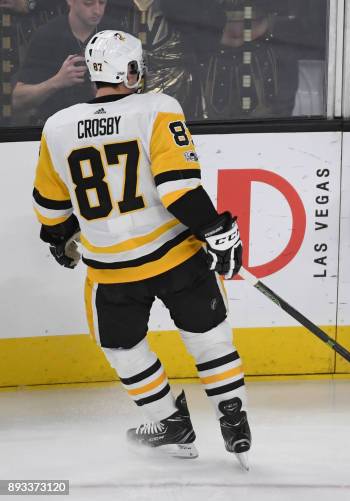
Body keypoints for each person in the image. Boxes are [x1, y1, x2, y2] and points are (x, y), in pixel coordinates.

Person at [31, 30, 251, 468]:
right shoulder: (158, 108)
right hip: (176, 255)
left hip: (112, 269)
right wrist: (216, 229)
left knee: (122, 348)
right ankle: (233, 417)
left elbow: (51, 210)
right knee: (208, 339)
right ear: (128, 70)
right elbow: (179, 190)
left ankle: (170, 423)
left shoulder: (56, 126)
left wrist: (60, 239)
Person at [12, 0, 112, 124]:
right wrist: (57, 82)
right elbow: (15, 100)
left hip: (103, 126)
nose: (97, 11)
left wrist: (112, 92)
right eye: (88, 3)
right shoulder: (48, 36)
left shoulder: (115, 35)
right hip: (55, 127)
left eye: (102, 3)